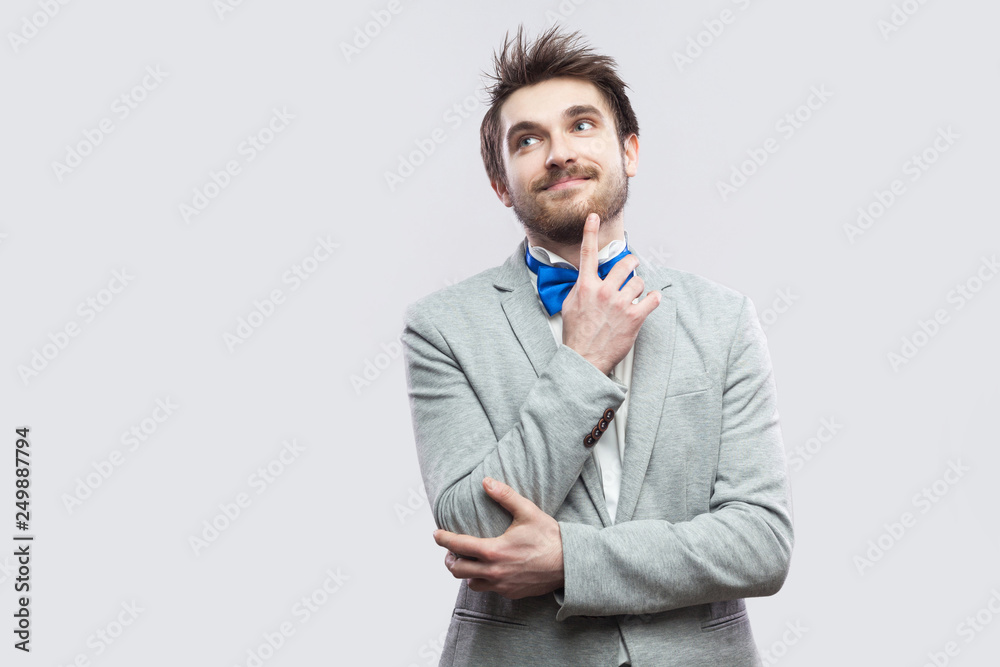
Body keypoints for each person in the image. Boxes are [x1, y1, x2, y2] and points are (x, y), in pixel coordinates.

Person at [401, 24, 793, 667]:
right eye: (528, 140)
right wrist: (583, 361)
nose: (559, 152)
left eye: (582, 125)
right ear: (501, 183)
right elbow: (476, 531)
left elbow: (760, 543)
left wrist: (569, 560)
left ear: (629, 151)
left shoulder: (723, 319)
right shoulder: (442, 328)